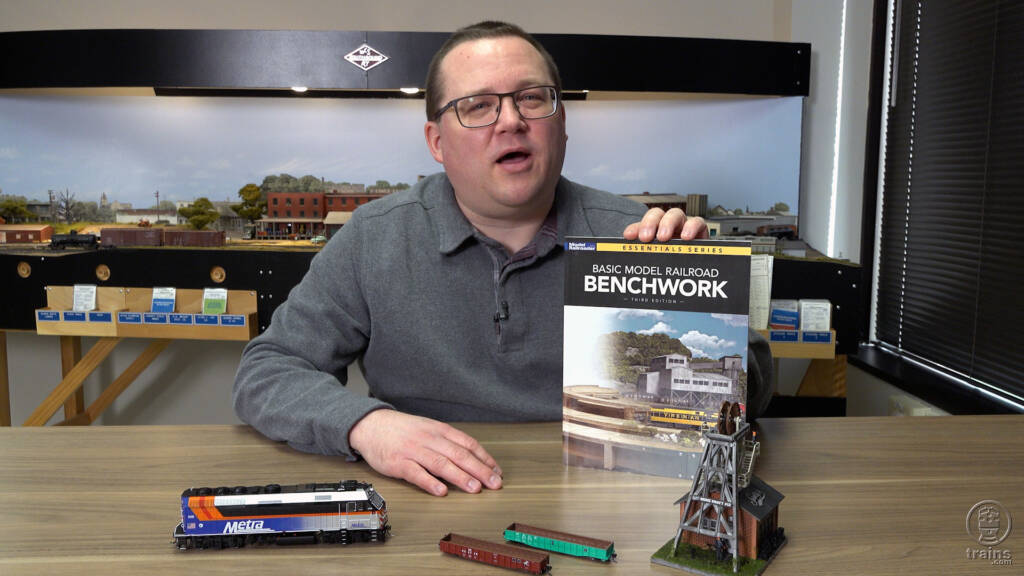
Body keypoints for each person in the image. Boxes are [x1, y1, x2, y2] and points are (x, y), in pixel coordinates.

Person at [234, 21, 773, 497]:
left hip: (612, 493)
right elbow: (266, 370)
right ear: (436, 142)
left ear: (562, 124)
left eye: (532, 99)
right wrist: (367, 425)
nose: (511, 120)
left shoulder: (636, 236)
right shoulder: (373, 238)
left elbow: (756, 385)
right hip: (428, 498)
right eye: (478, 106)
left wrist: (704, 302)